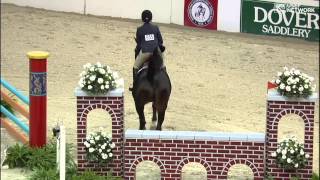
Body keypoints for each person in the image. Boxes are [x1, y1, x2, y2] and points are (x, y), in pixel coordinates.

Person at [132, 9, 166, 85]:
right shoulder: (156, 27)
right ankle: (165, 82)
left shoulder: (139, 29)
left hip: (145, 52)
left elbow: (139, 45)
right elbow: (161, 41)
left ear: (142, 18)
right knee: (163, 66)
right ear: (151, 18)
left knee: (135, 67)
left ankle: (135, 85)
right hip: (156, 51)